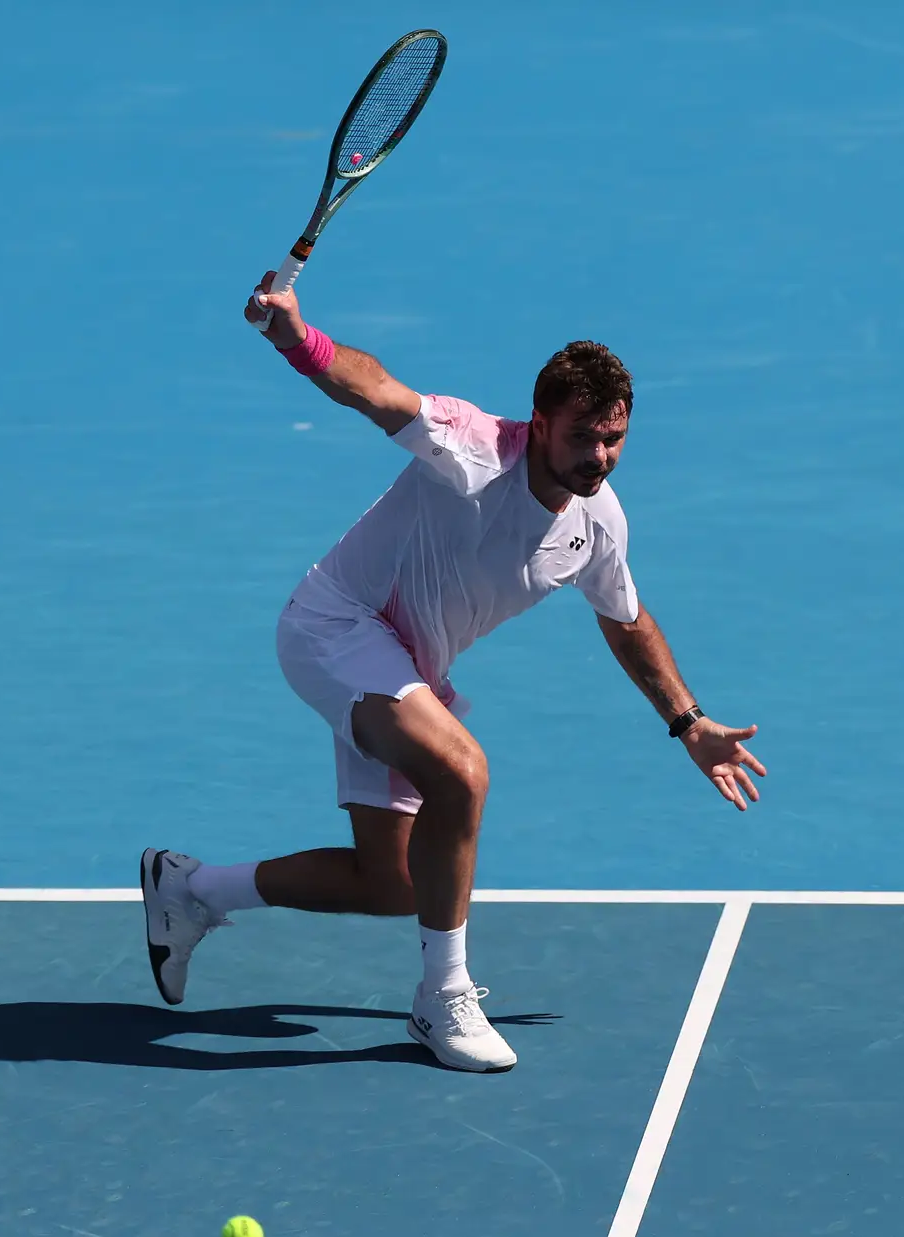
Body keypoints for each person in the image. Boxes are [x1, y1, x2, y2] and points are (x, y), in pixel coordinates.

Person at [139, 272, 767, 1073]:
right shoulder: (472, 447)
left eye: (614, 439)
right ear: (540, 423)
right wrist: (292, 334)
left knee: (394, 883)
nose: (599, 458)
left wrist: (688, 722)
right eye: (582, 437)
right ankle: (443, 1001)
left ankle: (193, 890)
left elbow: (628, 621)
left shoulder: (597, 523)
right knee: (462, 772)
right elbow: (375, 392)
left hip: (405, 666)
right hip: (337, 626)